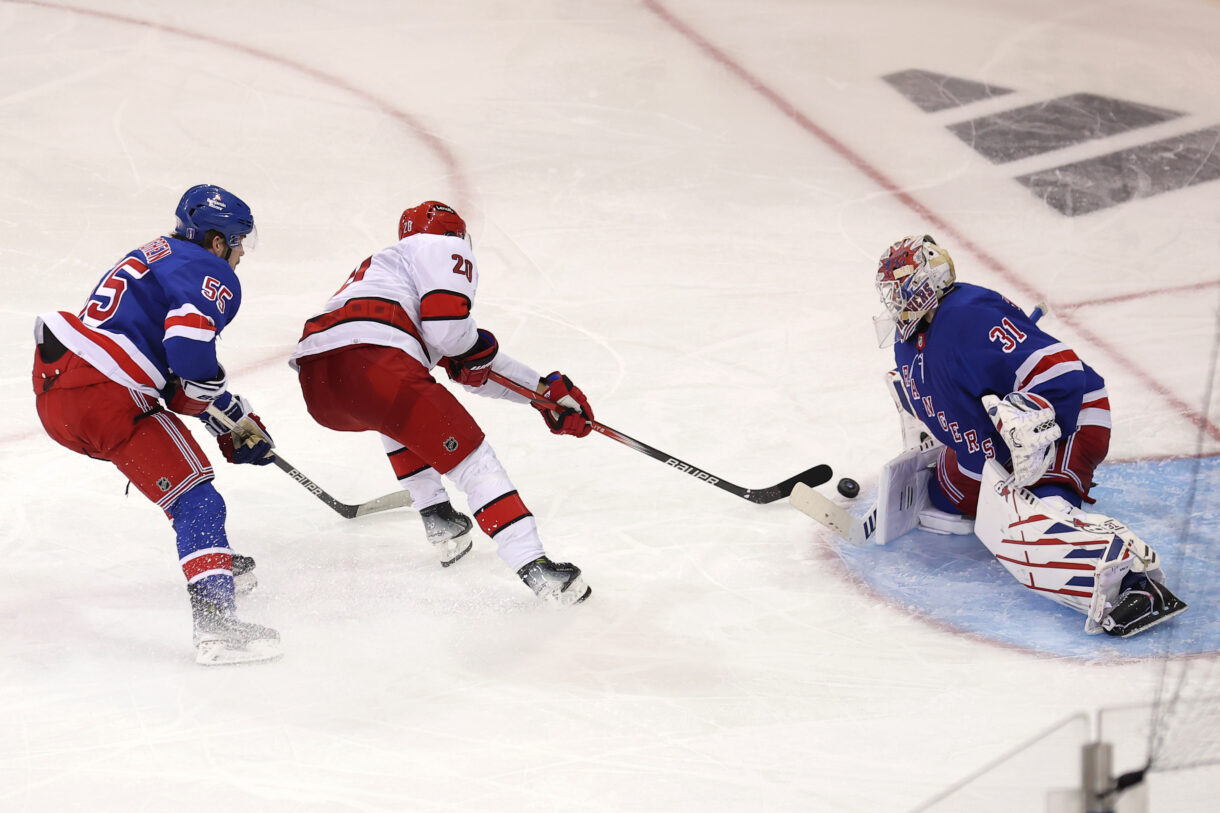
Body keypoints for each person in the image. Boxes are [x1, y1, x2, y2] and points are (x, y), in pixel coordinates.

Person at [871, 233, 1186, 637]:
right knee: (946, 495)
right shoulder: (906, 343)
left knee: (1037, 524)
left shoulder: (968, 316)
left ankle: (1134, 585)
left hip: (1067, 422)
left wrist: (1028, 414)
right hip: (999, 445)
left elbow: (1064, 374)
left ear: (926, 282)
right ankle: (1029, 502)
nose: (894, 303)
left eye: (901, 290)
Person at [290, 201, 593, 606]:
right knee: (473, 461)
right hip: (377, 363)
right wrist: (484, 352)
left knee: (395, 412)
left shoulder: (387, 273)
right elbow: (452, 336)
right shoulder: (438, 246)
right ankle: (535, 566)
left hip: (319, 384)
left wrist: (540, 394)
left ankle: (438, 518)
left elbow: (471, 366)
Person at [32, 184, 281, 665]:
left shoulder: (155, 255)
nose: (241, 252)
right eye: (238, 241)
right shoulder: (210, 269)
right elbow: (188, 352)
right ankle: (217, 626)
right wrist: (226, 413)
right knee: (198, 500)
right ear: (215, 241)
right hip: (107, 390)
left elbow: (168, 377)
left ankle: (211, 564)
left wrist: (229, 418)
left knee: (184, 493)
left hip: (62, 399)